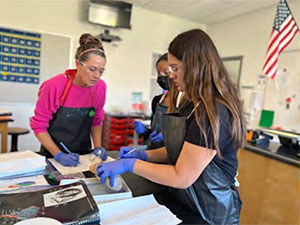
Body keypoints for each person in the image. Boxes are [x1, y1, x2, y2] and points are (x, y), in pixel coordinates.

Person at [96, 29, 246, 224]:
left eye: (175, 68)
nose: (171, 76)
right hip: (185, 202)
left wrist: (130, 164)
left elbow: (181, 176)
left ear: (194, 66)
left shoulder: (214, 113)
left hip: (210, 213)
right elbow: (182, 151)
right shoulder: (193, 104)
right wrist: (143, 155)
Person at [30, 33, 108, 167]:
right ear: (78, 64)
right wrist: (58, 155)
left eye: (101, 71)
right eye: (92, 69)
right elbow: (39, 126)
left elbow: (96, 120)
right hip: (53, 156)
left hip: (84, 156)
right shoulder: (54, 86)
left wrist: (97, 147)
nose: (96, 76)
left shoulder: (100, 87)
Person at [133, 53, 186, 149]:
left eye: (166, 73)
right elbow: (153, 133)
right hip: (152, 152)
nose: (162, 78)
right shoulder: (157, 101)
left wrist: (169, 136)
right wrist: (146, 132)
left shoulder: (185, 102)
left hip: (171, 156)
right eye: (159, 74)